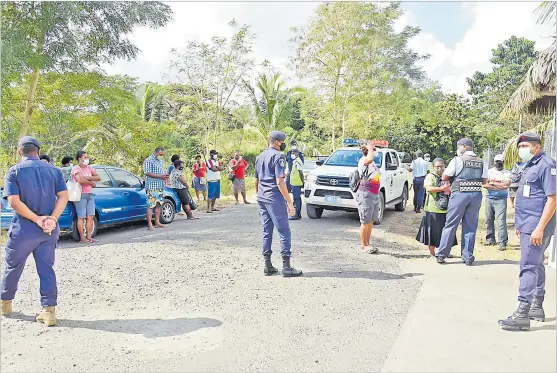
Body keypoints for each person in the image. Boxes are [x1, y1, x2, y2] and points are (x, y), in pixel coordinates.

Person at [1, 136, 69, 326]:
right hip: (48, 230)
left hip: (24, 229)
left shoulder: (13, 172)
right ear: (38, 151)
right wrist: (52, 219)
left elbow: (14, 201)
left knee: (13, 266)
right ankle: (49, 312)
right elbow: (64, 196)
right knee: (46, 269)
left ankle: (5, 304)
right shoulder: (54, 171)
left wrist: (36, 219)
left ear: (19, 152)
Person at [499, 132, 556, 330]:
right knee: (537, 263)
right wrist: (520, 224)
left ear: (536, 147)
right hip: (528, 224)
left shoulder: (547, 165)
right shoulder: (531, 165)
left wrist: (539, 228)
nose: (522, 151)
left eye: (525, 147)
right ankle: (536, 305)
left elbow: (552, 198)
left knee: (528, 265)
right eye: (520, 147)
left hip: (537, 226)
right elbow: (526, 195)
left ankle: (522, 312)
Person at [255, 131, 302, 277]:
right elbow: (279, 181)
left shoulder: (260, 156)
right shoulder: (278, 156)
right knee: (284, 231)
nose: (283, 145)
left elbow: (257, 180)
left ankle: (267, 265)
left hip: (262, 197)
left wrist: (259, 195)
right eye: (282, 142)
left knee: (266, 231)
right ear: (277, 142)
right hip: (274, 198)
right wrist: (290, 202)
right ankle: (286, 267)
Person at [435, 138, 488, 265]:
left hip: (460, 194)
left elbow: (445, 176)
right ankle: (468, 256)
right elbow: (485, 181)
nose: (458, 149)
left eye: (459, 147)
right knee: (470, 226)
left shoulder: (457, 160)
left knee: (451, 224)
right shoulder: (481, 162)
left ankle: (442, 254)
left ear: (464, 147)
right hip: (475, 195)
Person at [416, 158, 456, 256]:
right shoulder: (430, 176)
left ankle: (445, 251)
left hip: (447, 208)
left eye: (441, 166)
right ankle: (432, 252)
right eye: (437, 166)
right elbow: (428, 188)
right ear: (433, 167)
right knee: (432, 232)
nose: (440, 168)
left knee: (447, 231)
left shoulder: (448, 176)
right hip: (432, 208)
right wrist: (441, 189)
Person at [356, 141, 381, 254]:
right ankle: (363, 245)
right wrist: (370, 148)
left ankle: (368, 243)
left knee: (370, 220)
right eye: (373, 149)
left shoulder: (372, 163)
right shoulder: (364, 160)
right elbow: (369, 159)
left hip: (374, 193)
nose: (375, 151)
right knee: (365, 221)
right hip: (366, 193)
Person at [483, 154, 512, 250]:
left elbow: (505, 186)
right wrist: (499, 185)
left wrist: (493, 183)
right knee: (488, 220)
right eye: (497, 162)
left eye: (500, 162)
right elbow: (485, 185)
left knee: (501, 221)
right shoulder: (490, 171)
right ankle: (490, 238)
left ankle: (502, 242)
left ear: (503, 162)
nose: (498, 164)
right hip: (489, 198)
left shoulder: (507, 173)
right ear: (494, 162)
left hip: (501, 199)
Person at [71, 151, 101, 243]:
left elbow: (98, 177)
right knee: (81, 217)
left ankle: (89, 236)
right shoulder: (76, 168)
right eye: (85, 157)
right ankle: (82, 237)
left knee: (90, 216)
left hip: (90, 194)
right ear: (79, 158)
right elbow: (80, 180)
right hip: (81, 195)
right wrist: (92, 183)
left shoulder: (89, 168)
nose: (87, 159)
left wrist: (87, 177)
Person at [143, 147, 169, 230]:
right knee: (150, 205)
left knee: (158, 205)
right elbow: (147, 172)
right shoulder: (148, 160)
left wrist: (165, 176)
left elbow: (163, 171)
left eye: (162, 155)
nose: (161, 156)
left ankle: (157, 222)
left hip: (160, 186)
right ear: (155, 152)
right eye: (160, 154)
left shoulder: (161, 161)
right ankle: (150, 224)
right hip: (152, 186)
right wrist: (159, 176)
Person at [287, 148, 304, 220]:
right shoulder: (295, 161)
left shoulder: (298, 161)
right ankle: (297, 214)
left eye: (294, 153)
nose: (293, 154)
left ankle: (297, 214)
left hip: (297, 183)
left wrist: (302, 182)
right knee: (296, 198)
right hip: (294, 182)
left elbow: (300, 173)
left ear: (297, 154)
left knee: (296, 198)